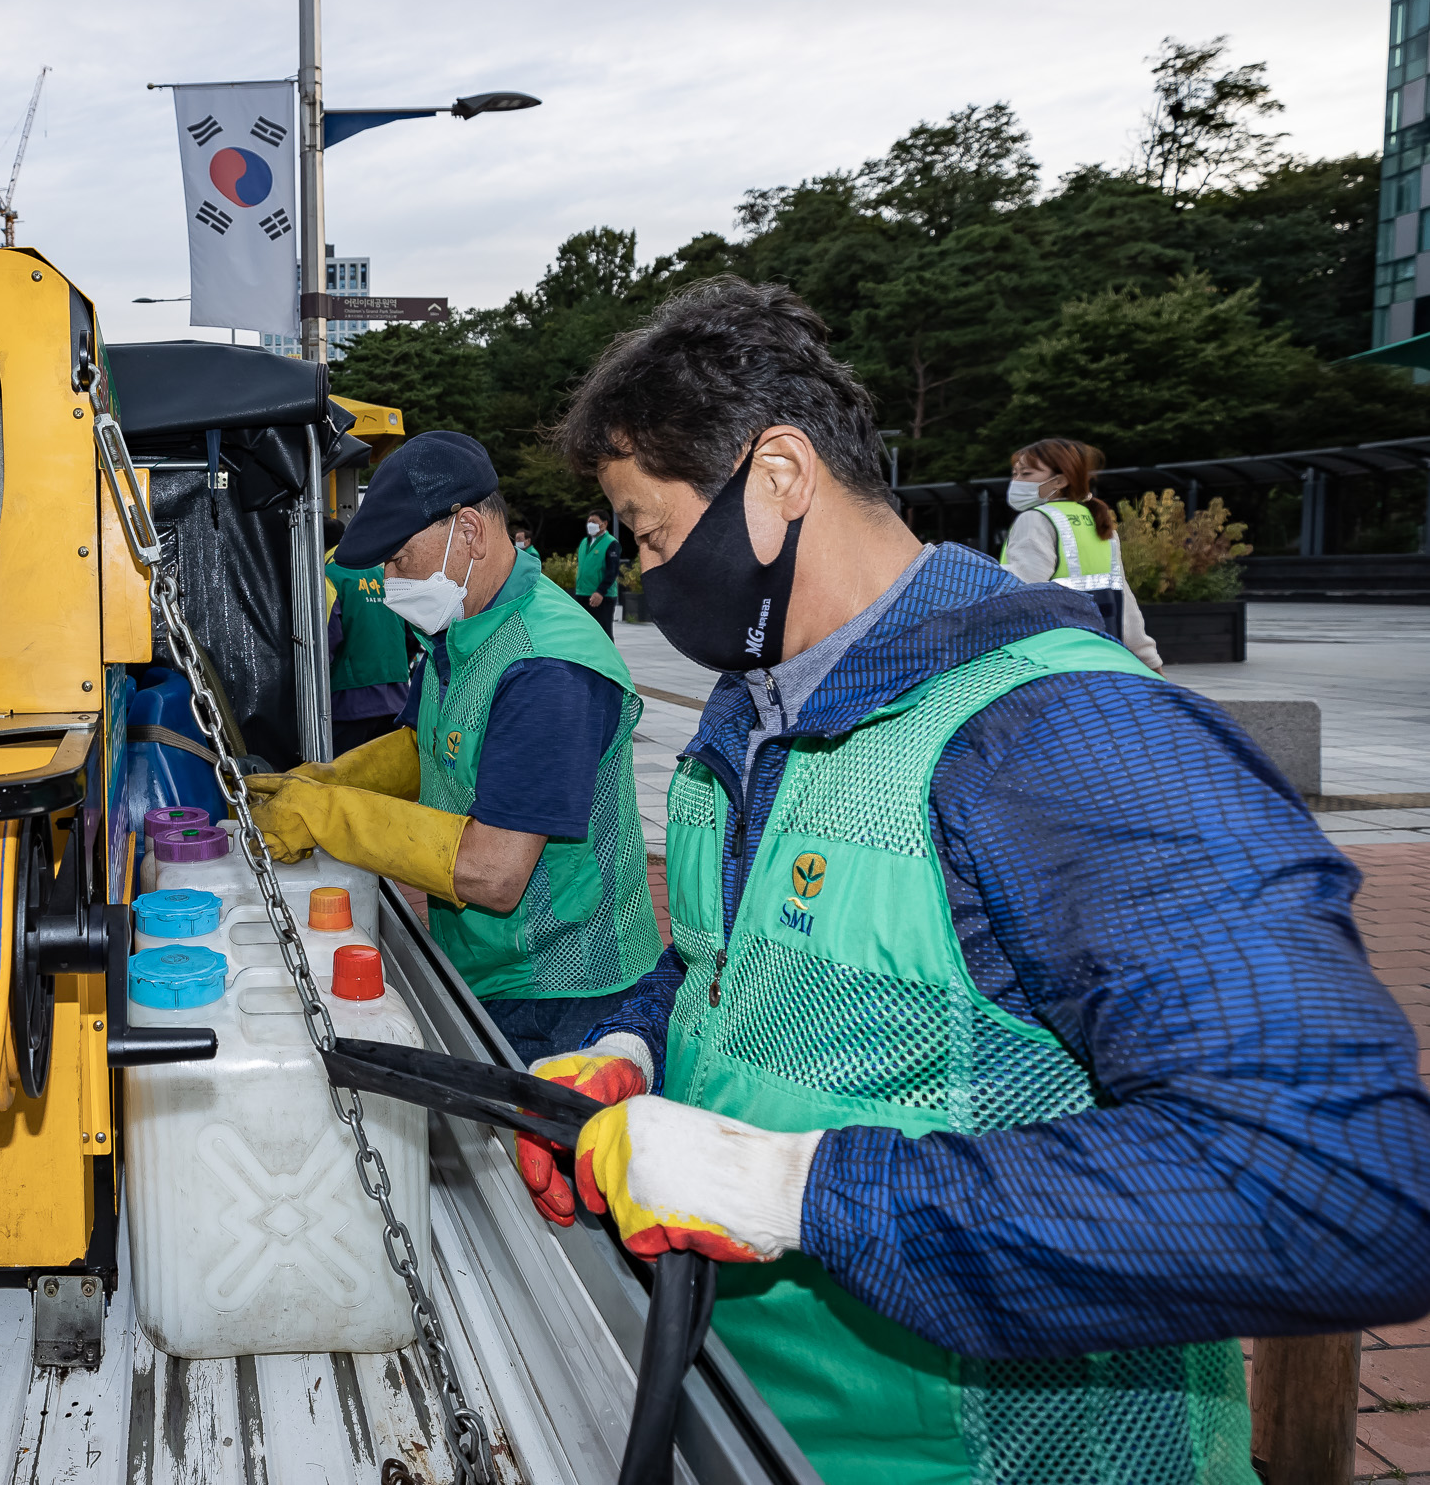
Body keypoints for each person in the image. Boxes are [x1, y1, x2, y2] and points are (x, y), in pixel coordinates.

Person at [516, 275, 1430, 1484]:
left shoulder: (1066, 737)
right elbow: (730, 974)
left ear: (778, 479)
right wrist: (637, 1047)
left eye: (649, 530)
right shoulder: (750, 713)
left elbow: (1334, 1187)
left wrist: (799, 1189)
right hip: (756, 1426)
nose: (640, 571)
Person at [245, 432, 659, 1061]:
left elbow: (494, 873)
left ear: (469, 531)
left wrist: (328, 816)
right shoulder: (463, 627)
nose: (388, 583)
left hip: (560, 987)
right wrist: (327, 781)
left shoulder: (550, 665)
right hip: (487, 961)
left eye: (400, 559)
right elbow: (423, 747)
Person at [1000, 437, 1161, 671]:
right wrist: (1150, 660)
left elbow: (1021, 595)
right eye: (1014, 474)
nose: (1016, 482)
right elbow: (1124, 600)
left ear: (1061, 480)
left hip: (1053, 661)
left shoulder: (1035, 519)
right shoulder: (1097, 522)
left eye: (1026, 474)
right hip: (1105, 658)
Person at [322, 535, 415, 753]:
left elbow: (325, 644)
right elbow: (412, 635)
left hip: (347, 703)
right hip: (396, 698)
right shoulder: (385, 573)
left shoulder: (330, 576)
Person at [572, 508, 621, 637]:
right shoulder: (584, 542)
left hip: (601, 597)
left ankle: (607, 657)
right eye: (589, 521)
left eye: (594, 521)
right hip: (583, 593)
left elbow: (612, 571)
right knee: (585, 632)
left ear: (604, 524)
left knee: (602, 633)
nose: (590, 525)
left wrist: (600, 592)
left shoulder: (611, 543)